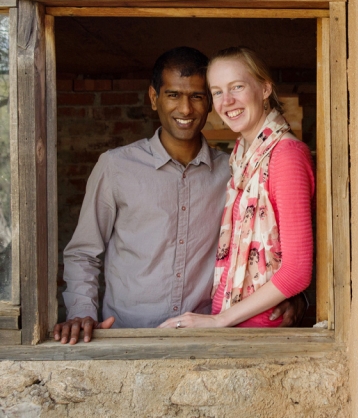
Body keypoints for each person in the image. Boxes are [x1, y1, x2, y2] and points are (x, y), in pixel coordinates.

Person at [54, 47, 303, 345]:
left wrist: (297, 299)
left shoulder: (234, 170)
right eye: (173, 95)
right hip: (125, 337)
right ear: (153, 97)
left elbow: (269, 244)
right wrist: (82, 312)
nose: (185, 109)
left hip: (204, 337)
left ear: (209, 103)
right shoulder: (116, 166)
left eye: (197, 96)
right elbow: (83, 252)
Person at [159, 47, 314, 329]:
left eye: (237, 87)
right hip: (236, 327)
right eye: (217, 92)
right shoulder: (242, 157)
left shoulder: (286, 155)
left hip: (261, 333)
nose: (227, 101)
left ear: (265, 88)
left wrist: (219, 320)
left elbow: (297, 271)